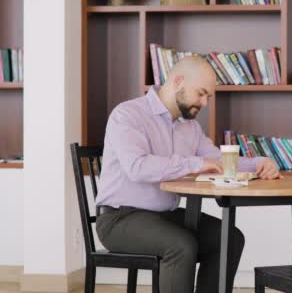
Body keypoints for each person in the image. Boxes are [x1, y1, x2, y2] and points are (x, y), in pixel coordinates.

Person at [95, 56, 281, 293]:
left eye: (208, 97)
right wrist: (194, 164)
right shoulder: (128, 114)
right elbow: (137, 167)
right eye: (201, 93)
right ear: (179, 81)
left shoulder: (190, 127)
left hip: (163, 216)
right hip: (119, 219)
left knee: (229, 239)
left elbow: (217, 160)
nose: (205, 103)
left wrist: (259, 163)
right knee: (181, 246)